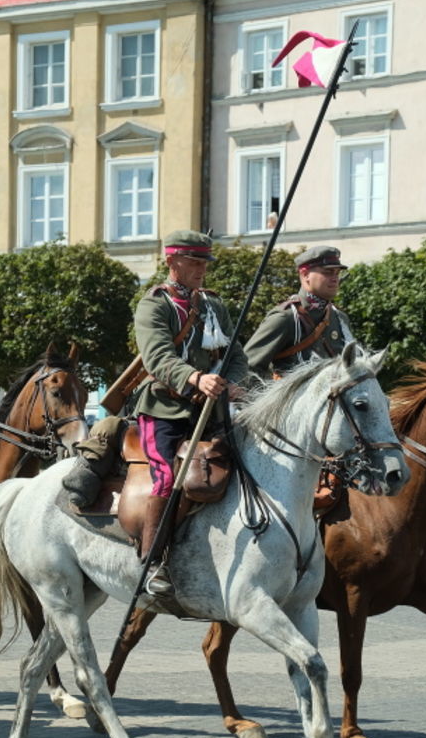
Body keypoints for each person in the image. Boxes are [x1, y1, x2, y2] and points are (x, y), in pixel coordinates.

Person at [66, 230, 247, 597]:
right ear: (171, 261)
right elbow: (158, 357)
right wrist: (197, 378)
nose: (201, 269)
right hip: (165, 407)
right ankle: (153, 561)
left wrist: (233, 382)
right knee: (167, 476)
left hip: (211, 408)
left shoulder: (214, 305)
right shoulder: (155, 305)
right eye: (194, 262)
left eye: (205, 262)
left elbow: (237, 356)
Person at [243, 245, 355, 380]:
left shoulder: (340, 319)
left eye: (337, 273)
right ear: (305, 275)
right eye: (328, 272)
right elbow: (247, 368)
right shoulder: (286, 318)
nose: (335, 278)